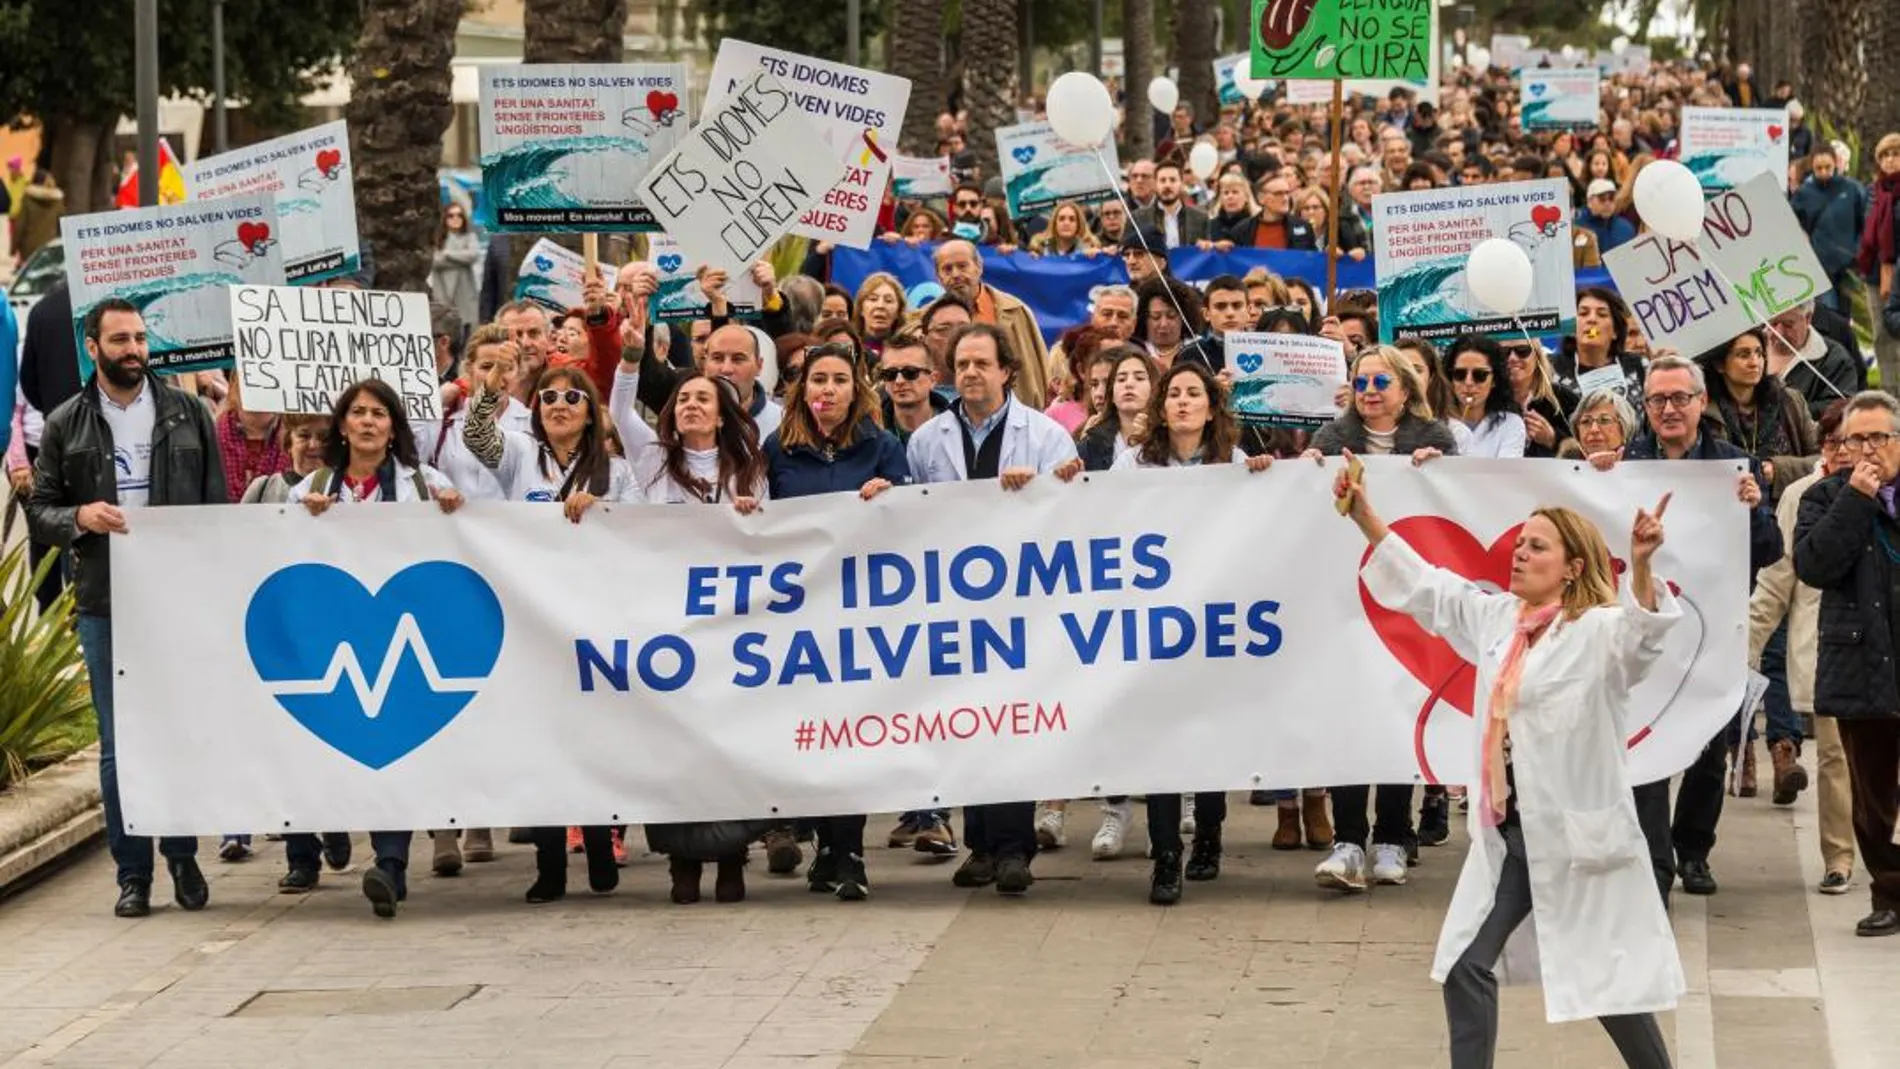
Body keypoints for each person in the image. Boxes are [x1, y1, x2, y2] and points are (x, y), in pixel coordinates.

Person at [1336, 448, 1682, 1069]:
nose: (1521, 553)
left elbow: (1643, 639)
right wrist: (1367, 518)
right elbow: (1427, 589)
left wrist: (1645, 568)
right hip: (1510, 837)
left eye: (1539, 547)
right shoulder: (1500, 619)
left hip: (1578, 838)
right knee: (1467, 967)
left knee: (1609, 985)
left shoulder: (1599, 632)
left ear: (1573, 568)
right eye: (1521, 542)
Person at [25, 299, 224, 919]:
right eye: (120, 339)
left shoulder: (187, 412)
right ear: (93, 347)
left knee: (178, 732)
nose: (134, 348)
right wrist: (80, 517)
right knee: (118, 743)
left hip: (176, 601)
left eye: (140, 337)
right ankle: (132, 872)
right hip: (106, 600)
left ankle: (183, 854)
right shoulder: (66, 422)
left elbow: (215, 509)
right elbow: (41, 510)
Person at [907, 323, 1082, 894]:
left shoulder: (1046, 435)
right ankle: (979, 843)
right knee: (966, 723)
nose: (971, 374)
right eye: (961, 365)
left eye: (982, 364)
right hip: (955, 602)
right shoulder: (927, 440)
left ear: (1007, 370)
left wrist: (1039, 487)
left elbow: (1074, 503)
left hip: (1023, 599)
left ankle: (1013, 848)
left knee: (1012, 720)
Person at [290, 378, 466, 918]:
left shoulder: (424, 484)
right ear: (341, 425)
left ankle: (390, 864)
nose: (368, 422)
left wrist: (455, 511)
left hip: (400, 638)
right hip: (331, 639)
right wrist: (303, 523)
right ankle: (332, 830)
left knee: (392, 747)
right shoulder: (308, 490)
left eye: (379, 414)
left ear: (394, 428)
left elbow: (462, 546)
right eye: (358, 413)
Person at [1615, 355, 1781, 900]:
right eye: (1657, 400)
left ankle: (1694, 851)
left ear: (1700, 402)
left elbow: (1768, 551)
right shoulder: (1622, 464)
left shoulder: (1734, 464)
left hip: (1711, 636)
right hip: (1645, 631)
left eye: (1679, 398)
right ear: (1646, 407)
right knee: (1647, 747)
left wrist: (1756, 510)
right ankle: (1654, 859)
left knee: (1709, 749)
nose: (1668, 409)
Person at [1109, 361, 1272, 903]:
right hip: (1155, 621)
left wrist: (1269, 478)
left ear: (1211, 406)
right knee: (1161, 737)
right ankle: (1165, 857)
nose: (1182, 402)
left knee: (1207, 733)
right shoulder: (1133, 463)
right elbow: (1101, 521)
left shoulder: (1237, 462)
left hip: (1215, 620)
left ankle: (1208, 831)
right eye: (1173, 393)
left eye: (1192, 393)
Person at [763, 345, 912, 901]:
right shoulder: (778, 448)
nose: (827, 388)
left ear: (856, 390)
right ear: (802, 389)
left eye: (839, 379)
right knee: (816, 736)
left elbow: (915, 517)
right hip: (801, 615)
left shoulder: (882, 446)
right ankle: (828, 846)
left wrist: (890, 496)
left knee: (851, 732)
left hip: (862, 613)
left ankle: (849, 852)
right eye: (817, 378)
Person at [1305, 347, 1458, 891]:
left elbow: (1456, 503)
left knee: (1398, 711)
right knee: (1352, 713)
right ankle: (1349, 840)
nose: (1370, 390)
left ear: (1405, 388)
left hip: (1406, 599)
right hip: (1347, 597)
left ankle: (1392, 836)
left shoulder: (1435, 438)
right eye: (1361, 380)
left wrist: (1441, 475)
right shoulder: (1329, 439)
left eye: (1381, 381)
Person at [1793, 390, 1900, 937]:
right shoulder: (1825, 497)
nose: (1868, 449)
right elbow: (1814, 566)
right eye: (1857, 439)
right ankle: (1889, 890)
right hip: (1861, 662)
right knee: (1872, 795)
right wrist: (1857, 500)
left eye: (1879, 437)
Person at [1750, 404, 1851, 879]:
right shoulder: (1802, 495)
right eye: (1833, 442)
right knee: (1834, 757)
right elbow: (1775, 583)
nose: (1846, 451)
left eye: (1855, 440)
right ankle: (1840, 858)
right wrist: (1744, 652)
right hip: (1830, 646)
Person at [1697, 327, 1820, 504]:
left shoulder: (1789, 401)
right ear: (1720, 364)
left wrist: (1778, 470)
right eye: (1744, 355)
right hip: (1727, 507)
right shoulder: (1702, 409)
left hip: (1786, 508)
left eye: (1759, 353)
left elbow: (1822, 461)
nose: (1755, 362)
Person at [932, 239, 1051, 407]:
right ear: (938, 277)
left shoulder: (1015, 311)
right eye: (947, 269)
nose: (956, 274)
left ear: (978, 267)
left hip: (1013, 415)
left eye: (962, 266)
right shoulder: (926, 320)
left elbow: (1040, 370)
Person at [1791, 148, 1869, 313]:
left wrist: (1859, 251)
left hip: (1849, 264)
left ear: (1836, 164)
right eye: (1819, 168)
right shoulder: (1803, 194)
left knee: (1848, 315)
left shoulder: (1852, 189)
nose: (1824, 171)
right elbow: (1792, 224)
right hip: (1820, 265)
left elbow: (1865, 222)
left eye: (1828, 166)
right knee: (1829, 313)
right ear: (1812, 167)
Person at [1766, 301, 1861, 417]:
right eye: (1773, 324)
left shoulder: (1834, 358)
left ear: (1808, 318)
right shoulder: (1748, 348)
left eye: (1788, 324)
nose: (1779, 333)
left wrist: (1786, 411)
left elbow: (1841, 406)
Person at [1442, 335, 1527, 458]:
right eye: (1459, 374)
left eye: (1480, 375)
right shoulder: (1435, 423)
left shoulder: (1510, 424)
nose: (1468, 382)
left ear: (1494, 380)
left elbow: (1505, 473)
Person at [1078, 347, 1157, 473]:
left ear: (1153, 387)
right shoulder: (1091, 444)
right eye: (1121, 379)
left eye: (1139, 378)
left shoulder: (1170, 437)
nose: (1129, 384)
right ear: (1112, 393)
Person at [1505, 340, 1578, 459]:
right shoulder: (1486, 400)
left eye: (1523, 350)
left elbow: (1588, 450)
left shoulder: (1564, 398)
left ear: (1537, 356)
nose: (1512, 358)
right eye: (1504, 352)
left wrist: (1553, 439)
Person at [876, 327, 949, 445]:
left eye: (910, 372)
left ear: (933, 379)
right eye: (890, 374)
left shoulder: (958, 427)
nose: (899, 381)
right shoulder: (869, 433)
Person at [1133, 162, 1210, 249]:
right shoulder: (1137, 218)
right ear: (1155, 184)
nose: (1167, 185)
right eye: (1162, 180)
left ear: (1181, 183)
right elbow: (1125, 250)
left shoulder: (1200, 218)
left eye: (1173, 180)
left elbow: (1210, 251)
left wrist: (1209, 245)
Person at [430, 203, 481, 330]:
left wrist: (447, 254)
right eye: (451, 215)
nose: (455, 218)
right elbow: (435, 261)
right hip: (443, 292)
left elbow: (473, 255)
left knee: (467, 329)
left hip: (465, 294)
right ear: (445, 218)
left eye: (459, 215)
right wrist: (461, 259)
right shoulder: (439, 238)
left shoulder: (470, 237)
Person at [1575, 178, 1637, 253]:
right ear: (1589, 201)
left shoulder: (1626, 228)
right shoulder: (1577, 228)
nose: (1607, 203)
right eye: (1602, 198)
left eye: (1611, 198)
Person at [1027, 200, 1100, 256]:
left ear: (1078, 224)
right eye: (1061, 219)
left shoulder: (1090, 250)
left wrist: (1099, 256)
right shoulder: (1039, 249)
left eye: (1072, 219)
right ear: (1055, 223)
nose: (1066, 223)